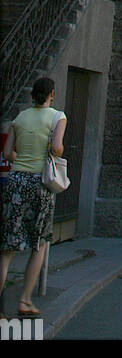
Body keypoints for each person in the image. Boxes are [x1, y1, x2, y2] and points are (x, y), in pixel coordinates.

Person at [0, 76, 67, 317]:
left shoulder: (19, 118)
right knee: (39, 244)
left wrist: (24, 161)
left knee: (7, 246)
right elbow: (57, 148)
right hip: (39, 184)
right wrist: (50, 149)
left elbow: (8, 153)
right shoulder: (57, 116)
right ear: (52, 94)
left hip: (16, 182)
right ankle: (25, 301)